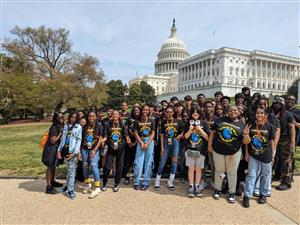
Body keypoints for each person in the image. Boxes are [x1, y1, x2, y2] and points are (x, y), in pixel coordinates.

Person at [208, 105, 251, 203]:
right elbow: (212, 133)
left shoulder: (242, 124)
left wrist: (246, 135)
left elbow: (246, 142)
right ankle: (217, 189)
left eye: (235, 110)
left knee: (232, 173)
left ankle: (232, 192)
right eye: (231, 110)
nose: (233, 112)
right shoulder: (220, 120)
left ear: (239, 112)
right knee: (219, 171)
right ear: (227, 112)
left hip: (233, 153)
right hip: (218, 151)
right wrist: (209, 146)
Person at [243, 108, 275, 207]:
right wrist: (247, 153)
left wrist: (273, 155)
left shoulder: (269, 126)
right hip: (253, 154)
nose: (259, 114)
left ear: (265, 115)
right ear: (255, 114)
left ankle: (263, 195)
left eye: (261, 113)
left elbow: (271, 142)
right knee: (251, 175)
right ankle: (247, 196)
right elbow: (246, 142)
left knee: (265, 175)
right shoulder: (250, 125)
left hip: (266, 155)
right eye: (257, 113)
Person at [155, 106, 184, 190]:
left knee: (174, 162)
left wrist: (180, 136)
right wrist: (161, 148)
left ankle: (170, 181)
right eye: (167, 112)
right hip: (166, 143)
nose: (169, 113)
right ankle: (157, 180)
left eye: (170, 112)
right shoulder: (163, 122)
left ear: (173, 112)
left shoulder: (178, 121)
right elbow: (162, 135)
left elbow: (183, 130)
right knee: (162, 162)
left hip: (175, 143)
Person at [270, 97, 295, 191]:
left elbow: (292, 127)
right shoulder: (270, 114)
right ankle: (273, 177)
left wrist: (292, 142)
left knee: (286, 161)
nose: (277, 105)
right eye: (275, 103)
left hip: (285, 140)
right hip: (272, 139)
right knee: (273, 159)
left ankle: (286, 182)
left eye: (279, 103)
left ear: (282, 105)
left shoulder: (288, 114)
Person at [184, 107, 209, 197]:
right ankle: (191, 187)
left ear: (199, 113)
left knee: (198, 169)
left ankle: (197, 187)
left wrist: (200, 129)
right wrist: (190, 129)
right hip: (190, 149)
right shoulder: (188, 123)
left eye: (197, 112)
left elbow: (207, 137)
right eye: (193, 112)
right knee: (191, 168)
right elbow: (186, 137)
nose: (195, 114)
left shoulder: (204, 123)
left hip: (200, 149)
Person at [57, 112, 82, 199]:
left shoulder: (78, 127)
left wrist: (75, 153)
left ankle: (70, 190)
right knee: (69, 170)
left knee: (71, 171)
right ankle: (67, 186)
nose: (73, 119)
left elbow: (79, 141)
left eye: (75, 118)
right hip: (65, 150)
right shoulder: (65, 126)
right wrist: (59, 150)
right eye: (72, 117)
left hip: (72, 151)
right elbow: (62, 139)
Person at [102, 110, 129, 192]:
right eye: (113, 114)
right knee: (107, 166)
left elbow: (126, 136)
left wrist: (130, 142)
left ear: (119, 115)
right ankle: (104, 183)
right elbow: (106, 136)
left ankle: (116, 184)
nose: (115, 115)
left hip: (120, 148)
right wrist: (102, 141)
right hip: (111, 148)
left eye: (116, 114)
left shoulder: (123, 125)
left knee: (119, 167)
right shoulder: (108, 124)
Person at [81, 111, 103, 199]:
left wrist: (94, 150)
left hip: (94, 150)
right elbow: (82, 139)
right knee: (85, 166)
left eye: (93, 116)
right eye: (90, 116)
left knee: (94, 166)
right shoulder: (85, 127)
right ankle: (88, 185)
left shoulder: (99, 127)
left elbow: (100, 140)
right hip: (85, 149)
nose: (91, 118)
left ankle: (97, 187)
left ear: (96, 117)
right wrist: (80, 151)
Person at [133, 104, 155, 190]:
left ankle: (146, 182)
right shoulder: (137, 121)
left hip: (149, 140)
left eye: (147, 110)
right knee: (139, 161)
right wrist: (141, 143)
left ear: (149, 111)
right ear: (141, 111)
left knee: (149, 162)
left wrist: (148, 143)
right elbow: (135, 133)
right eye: (144, 110)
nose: (145, 111)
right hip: (140, 141)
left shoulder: (151, 120)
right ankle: (137, 181)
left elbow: (153, 133)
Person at [42, 112, 64, 194]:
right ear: (56, 119)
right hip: (50, 150)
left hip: (55, 149)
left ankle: (52, 181)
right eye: (60, 118)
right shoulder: (54, 128)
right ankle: (49, 187)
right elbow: (53, 140)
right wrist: (61, 134)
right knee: (50, 167)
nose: (62, 119)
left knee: (53, 166)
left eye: (63, 117)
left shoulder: (60, 126)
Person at [123, 106, 141, 184]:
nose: (136, 111)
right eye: (135, 110)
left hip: (138, 142)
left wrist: (136, 142)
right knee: (127, 160)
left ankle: (135, 176)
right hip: (129, 142)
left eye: (138, 110)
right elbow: (125, 129)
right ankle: (126, 177)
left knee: (137, 160)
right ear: (133, 111)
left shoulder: (141, 120)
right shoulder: (129, 119)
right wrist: (128, 140)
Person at [285, 95, 300, 181]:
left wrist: (294, 123)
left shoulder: (297, 111)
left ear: (295, 101)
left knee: (290, 156)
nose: (290, 101)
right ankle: (279, 174)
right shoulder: (281, 109)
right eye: (288, 99)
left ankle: (290, 176)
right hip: (282, 136)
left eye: (292, 100)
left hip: (292, 137)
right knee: (281, 156)